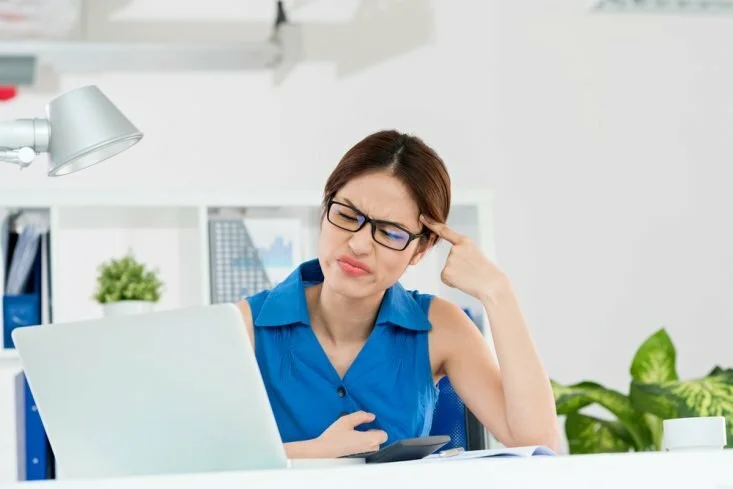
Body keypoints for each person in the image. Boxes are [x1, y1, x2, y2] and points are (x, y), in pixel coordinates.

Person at [237, 130, 559, 459]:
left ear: (421, 249)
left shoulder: (440, 325)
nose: (359, 244)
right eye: (347, 216)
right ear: (325, 210)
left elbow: (537, 442)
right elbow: (195, 462)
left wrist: (497, 292)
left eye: (391, 233)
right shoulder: (242, 326)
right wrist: (313, 454)